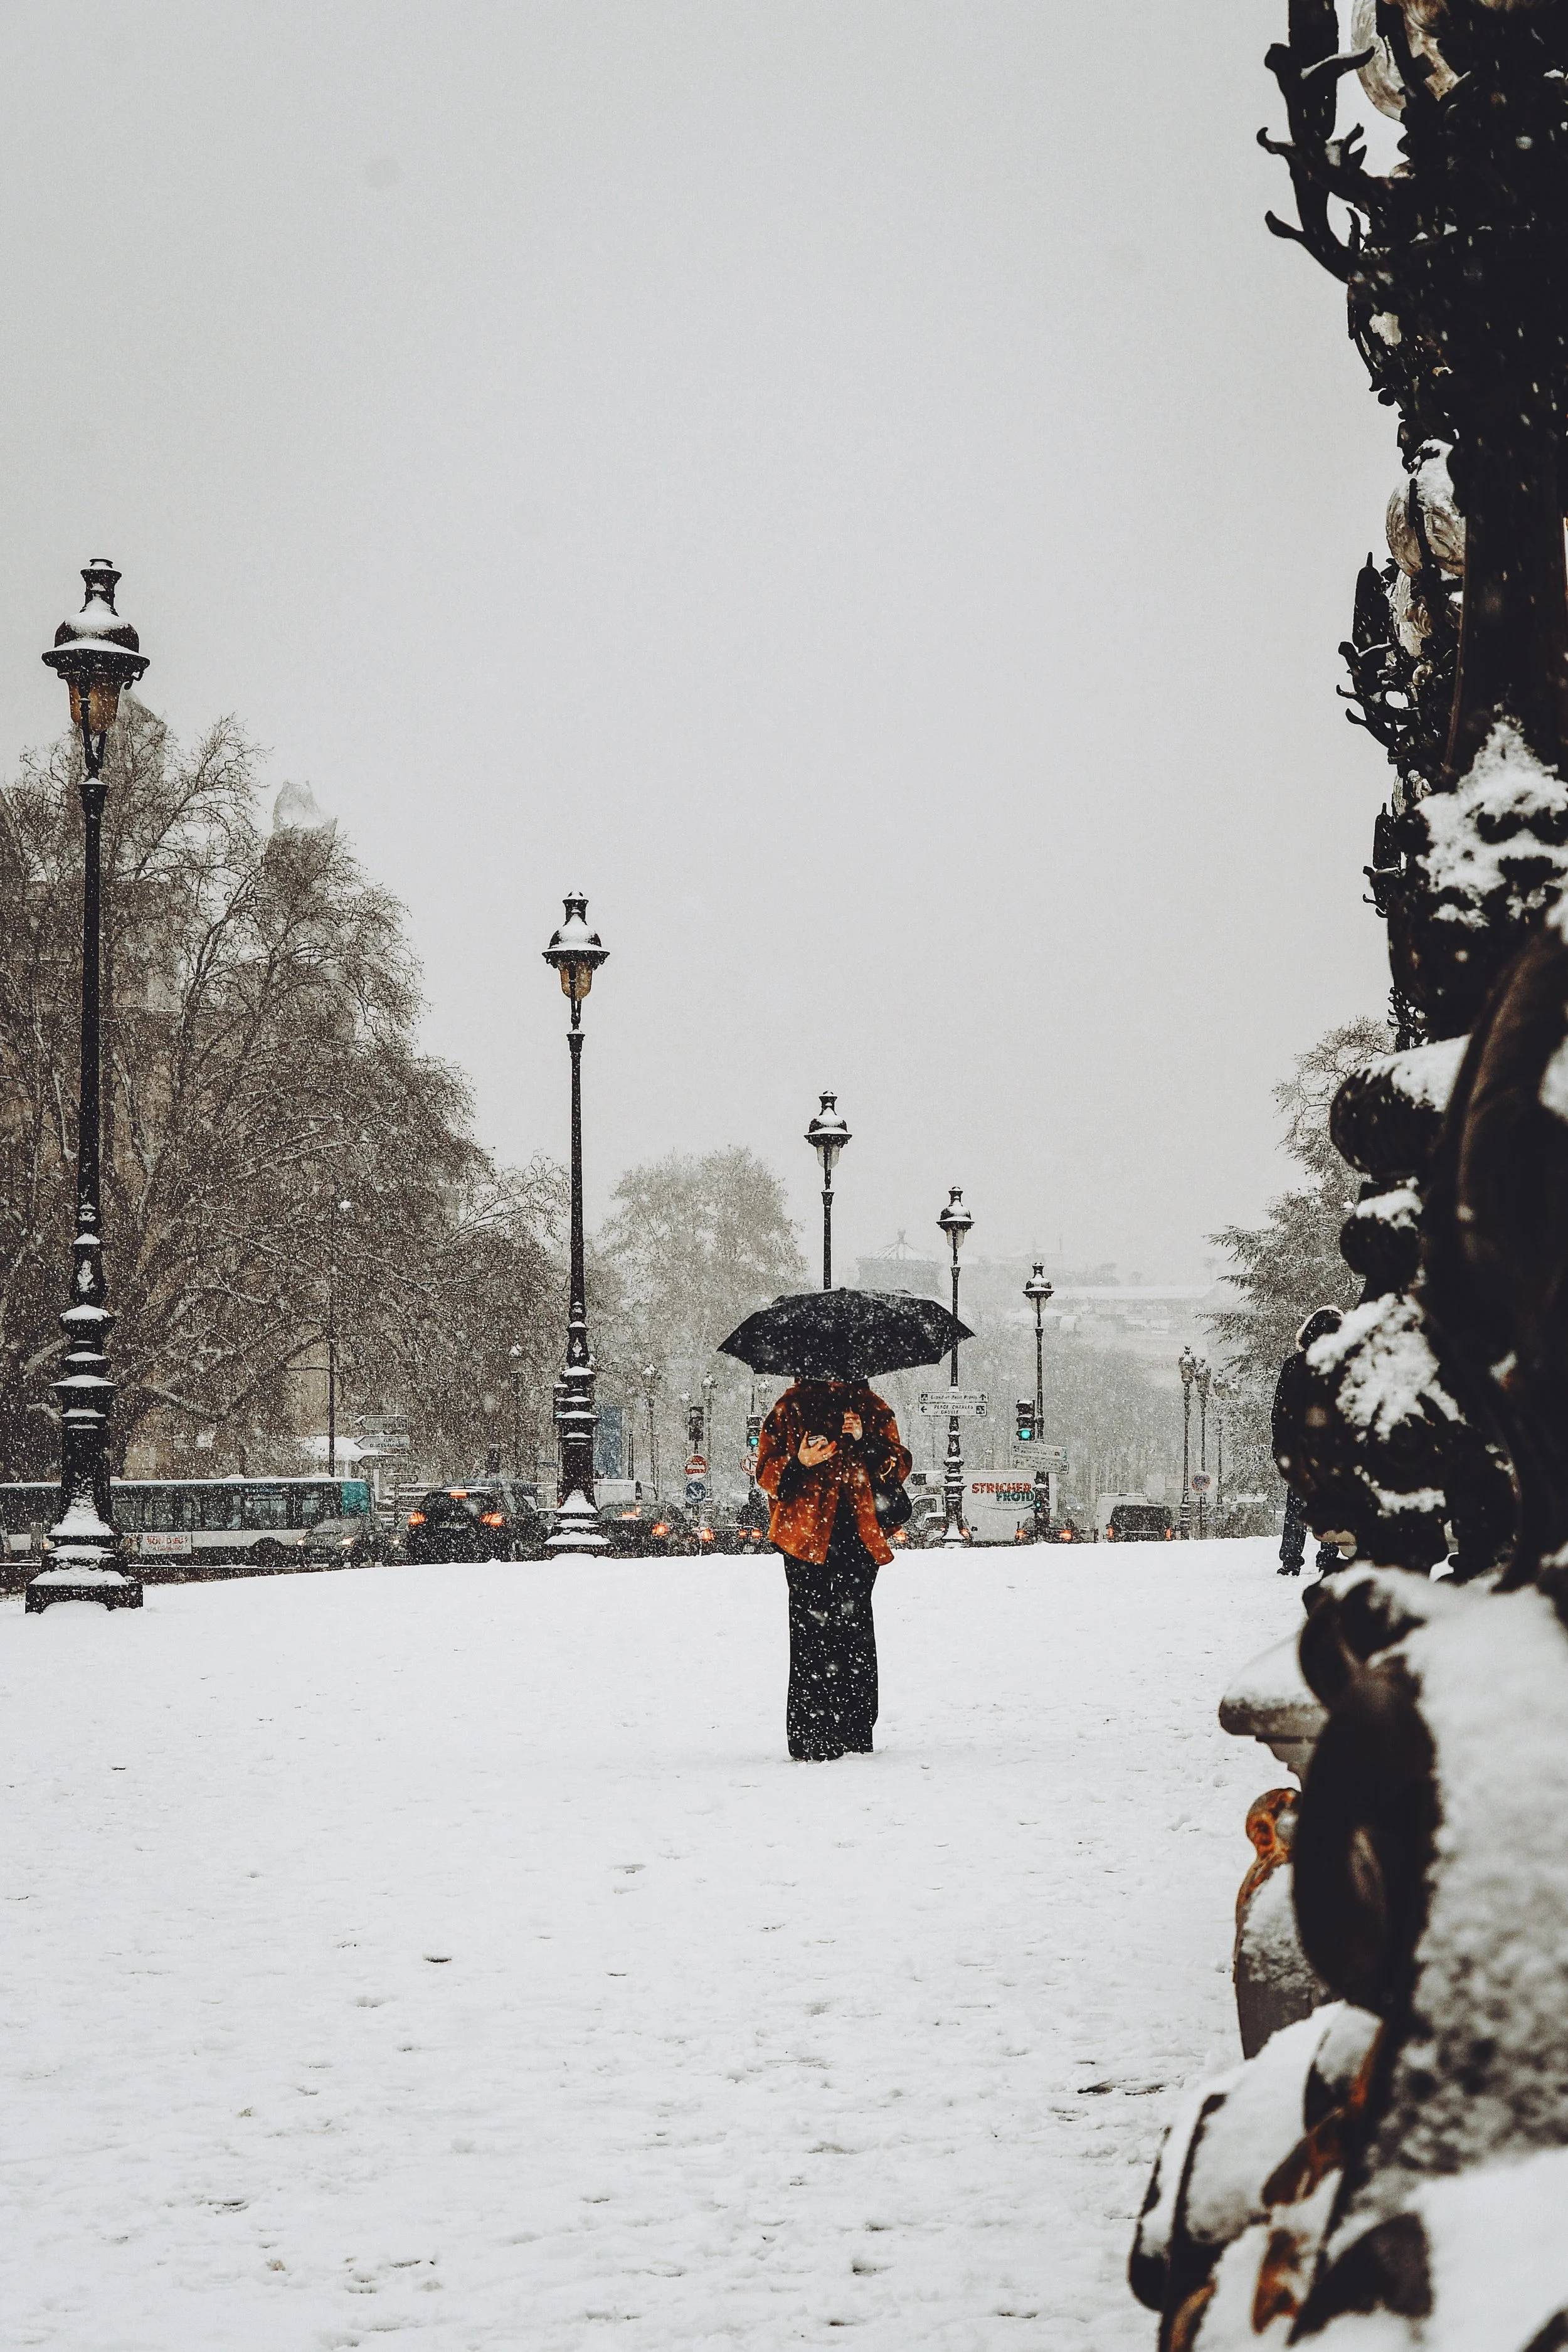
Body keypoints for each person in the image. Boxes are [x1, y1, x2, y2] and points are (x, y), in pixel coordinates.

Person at [756, 1375, 913, 1761]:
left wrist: (866, 1441)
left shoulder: (871, 1408)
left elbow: (899, 1465)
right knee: (811, 1635)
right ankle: (811, 1734)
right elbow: (766, 1472)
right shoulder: (789, 1408)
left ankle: (855, 1731)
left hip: (858, 1536)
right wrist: (801, 1461)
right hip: (804, 1540)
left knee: (855, 1633)